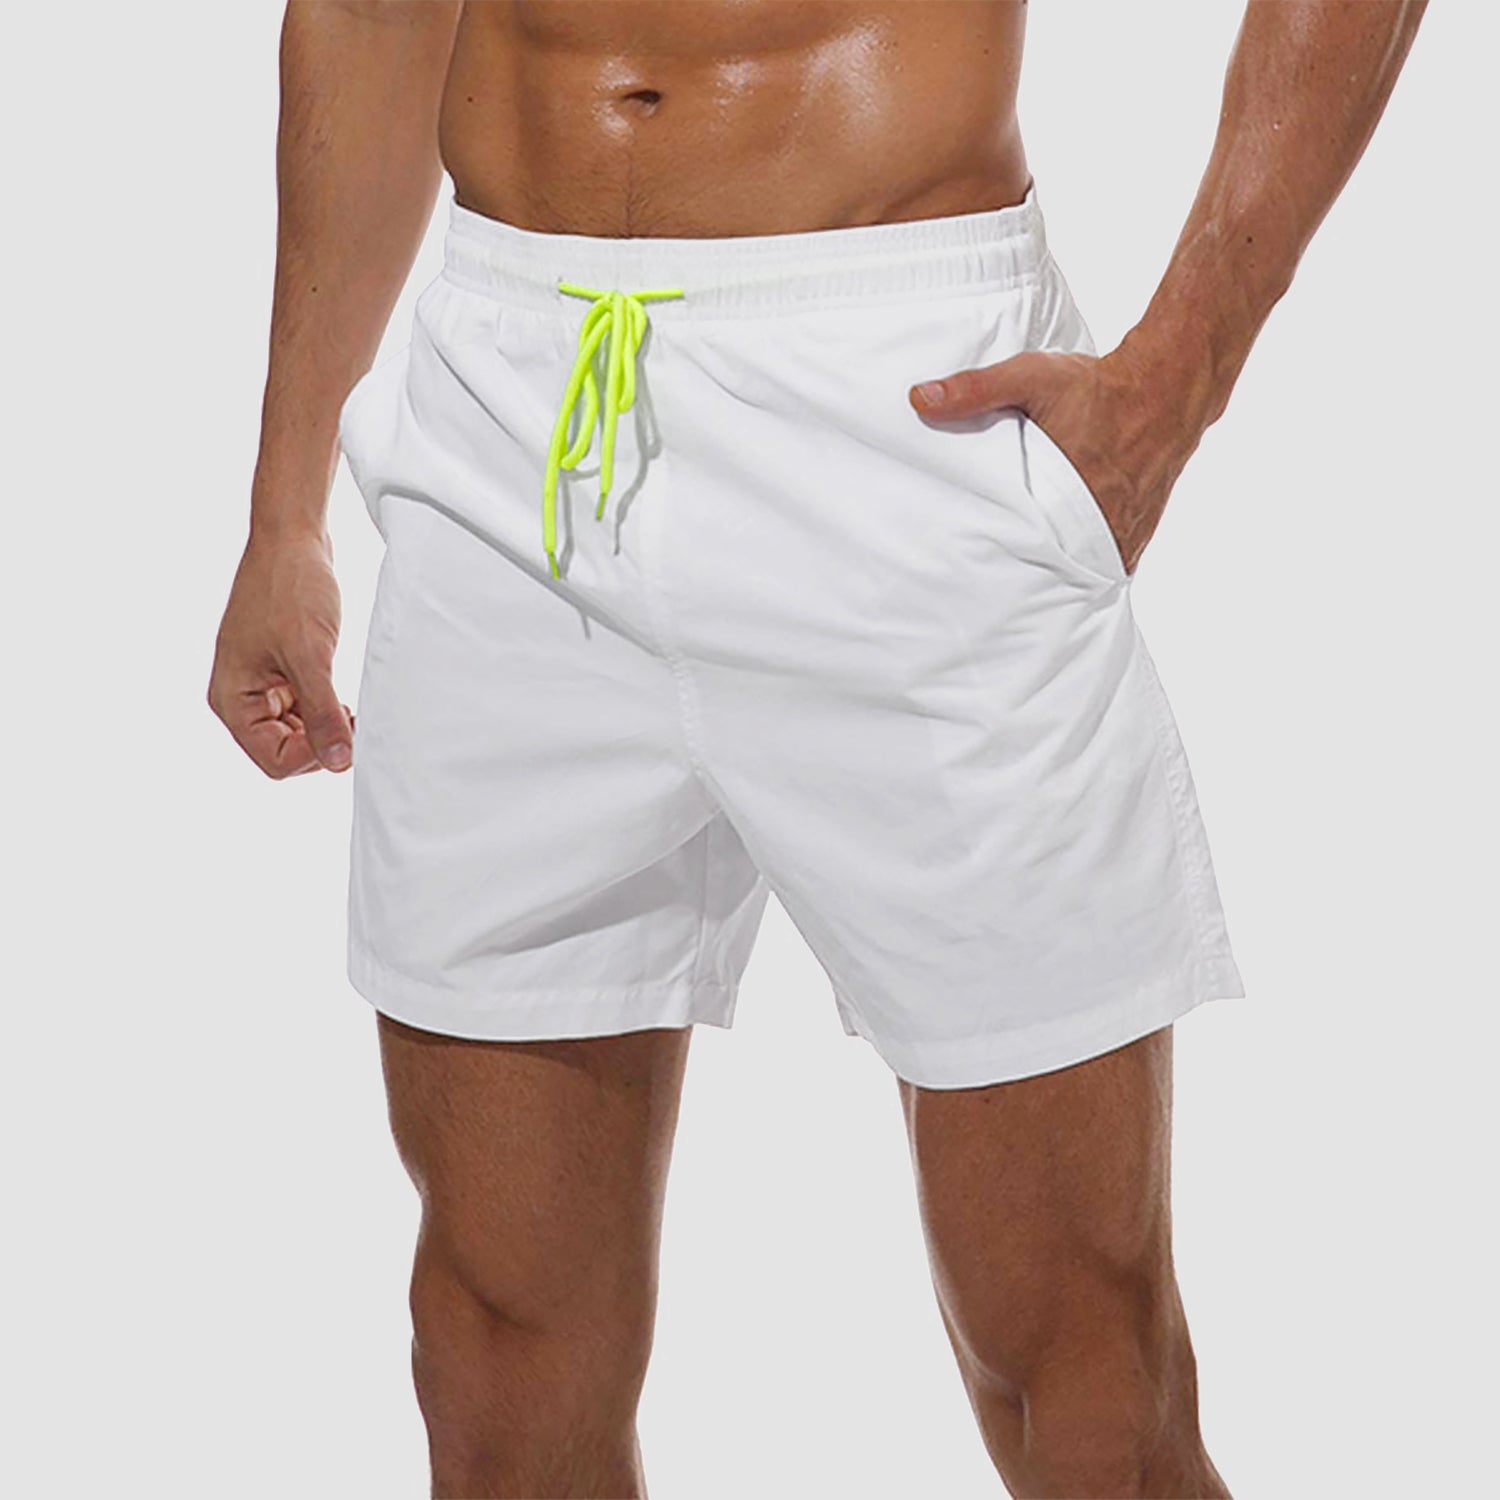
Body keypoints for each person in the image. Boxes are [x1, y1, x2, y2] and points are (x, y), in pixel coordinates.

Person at [208, 3, 1427, 1495]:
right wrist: (284, 512)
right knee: (496, 1362)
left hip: (901, 401)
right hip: (507, 418)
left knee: (1083, 1384)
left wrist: (1184, 370)